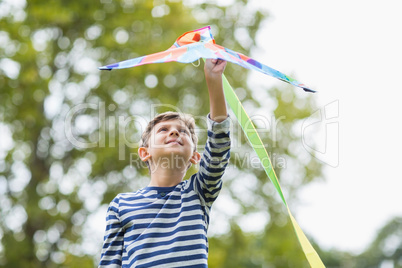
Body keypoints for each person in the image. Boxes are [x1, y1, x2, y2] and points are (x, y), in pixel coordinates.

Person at [99, 59, 231, 267]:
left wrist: (214, 79)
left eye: (184, 131)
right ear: (144, 153)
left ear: (195, 157)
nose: (174, 132)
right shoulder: (121, 205)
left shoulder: (198, 192)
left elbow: (218, 145)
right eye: (163, 130)